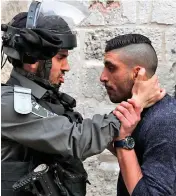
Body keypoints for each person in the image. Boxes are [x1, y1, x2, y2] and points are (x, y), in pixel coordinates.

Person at [1, 1, 165, 195]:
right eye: (61, 57)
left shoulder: (47, 100)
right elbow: (77, 139)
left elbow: (81, 131)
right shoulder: (9, 104)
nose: (66, 66)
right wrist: (137, 102)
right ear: (32, 60)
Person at [101, 34, 176, 196]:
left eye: (111, 68)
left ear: (137, 74)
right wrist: (138, 102)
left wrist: (123, 140)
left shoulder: (165, 121)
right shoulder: (138, 113)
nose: (103, 77)